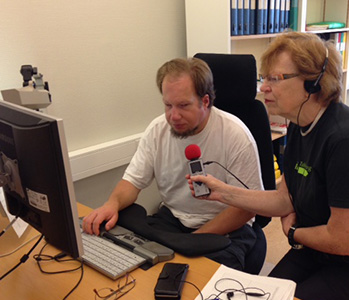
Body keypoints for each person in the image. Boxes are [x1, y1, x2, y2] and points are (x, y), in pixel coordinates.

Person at [187, 32, 349, 300]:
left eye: (275, 79)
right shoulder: (300, 124)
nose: (264, 87)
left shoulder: (346, 141)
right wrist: (222, 192)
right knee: (261, 295)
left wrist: (293, 232)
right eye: (263, 78)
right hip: (319, 249)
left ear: (313, 83)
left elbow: (346, 241)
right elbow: (284, 200)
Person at [83, 57, 264, 271]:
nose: (173, 116)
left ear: (205, 101)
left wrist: (194, 240)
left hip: (226, 226)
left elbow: (247, 208)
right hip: (174, 220)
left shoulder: (235, 135)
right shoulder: (157, 130)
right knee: (138, 263)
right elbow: (132, 181)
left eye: (183, 105)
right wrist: (111, 204)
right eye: (168, 105)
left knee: (204, 282)